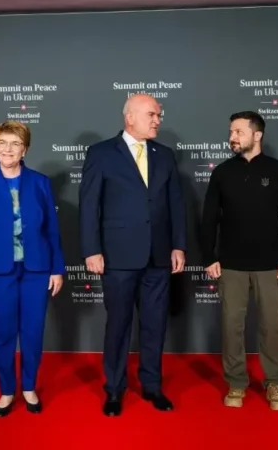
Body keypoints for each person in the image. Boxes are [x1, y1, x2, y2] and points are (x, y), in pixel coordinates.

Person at [79, 93, 187, 417]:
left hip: (158, 256)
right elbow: (89, 205)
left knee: (155, 325)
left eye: (159, 115)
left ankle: (152, 386)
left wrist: (178, 245)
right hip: (117, 257)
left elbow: (176, 203)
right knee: (118, 326)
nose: (158, 120)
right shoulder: (100, 153)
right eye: (152, 114)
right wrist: (92, 250)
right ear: (130, 118)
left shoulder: (164, 155)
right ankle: (114, 389)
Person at [0, 120, 65, 418]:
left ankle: (30, 387)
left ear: (25, 150)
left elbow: (52, 230)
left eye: (15, 144)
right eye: (2, 143)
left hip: (36, 270)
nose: (8, 149)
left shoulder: (40, 182)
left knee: (33, 333)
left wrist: (57, 269)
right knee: (3, 333)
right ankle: (7, 390)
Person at [201, 111, 278, 411]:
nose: (232, 137)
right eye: (231, 131)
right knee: (232, 327)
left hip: (270, 264)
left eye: (239, 132)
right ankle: (236, 383)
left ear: (257, 135)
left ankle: (275, 383)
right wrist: (209, 257)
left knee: (272, 327)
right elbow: (209, 218)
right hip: (230, 264)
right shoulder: (222, 172)